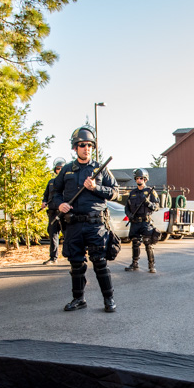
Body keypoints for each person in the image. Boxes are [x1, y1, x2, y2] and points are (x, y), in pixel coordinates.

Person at [53, 125, 119, 312]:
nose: (86, 148)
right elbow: (55, 193)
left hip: (95, 224)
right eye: (82, 145)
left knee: (99, 262)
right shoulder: (66, 170)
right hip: (73, 224)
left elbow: (115, 192)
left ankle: (109, 299)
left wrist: (95, 188)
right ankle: (78, 299)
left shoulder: (100, 169)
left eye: (89, 145)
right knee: (76, 263)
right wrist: (59, 205)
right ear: (75, 148)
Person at [124, 168, 160, 272]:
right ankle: (134, 264)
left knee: (148, 243)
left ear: (145, 179)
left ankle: (151, 265)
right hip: (135, 222)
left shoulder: (150, 192)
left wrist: (149, 203)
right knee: (135, 243)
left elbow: (157, 206)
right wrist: (129, 215)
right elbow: (127, 207)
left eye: (141, 178)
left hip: (146, 221)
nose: (138, 180)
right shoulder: (132, 193)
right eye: (137, 178)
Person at [41, 157, 66, 265]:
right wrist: (44, 202)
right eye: (57, 168)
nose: (59, 170)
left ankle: (71, 256)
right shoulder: (51, 182)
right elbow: (46, 195)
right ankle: (53, 257)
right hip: (52, 212)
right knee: (53, 235)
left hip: (64, 213)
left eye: (61, 168)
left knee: (68, 234)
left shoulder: (68, 182)